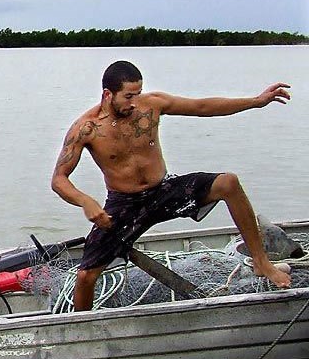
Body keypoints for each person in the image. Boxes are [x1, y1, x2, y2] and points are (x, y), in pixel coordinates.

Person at [50, 59, 292, 311]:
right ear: (107, 94)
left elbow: (202, 106)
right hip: (124, 204)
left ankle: (261, 262)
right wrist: (86, 201)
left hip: (164, 190)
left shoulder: (152, 105)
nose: (134, 102)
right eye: (128, 96)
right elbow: (59, 180)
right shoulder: (86, 128)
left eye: (138, 93)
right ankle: (82, 326)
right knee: (85, 276)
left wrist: (255, 101)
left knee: (228, 183)